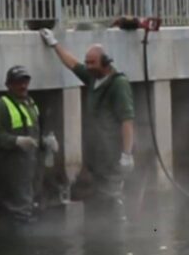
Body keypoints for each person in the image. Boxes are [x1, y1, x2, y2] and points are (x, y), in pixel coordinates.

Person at [39, 29, 135, 217]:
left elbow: (127, 120)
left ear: (106, 63)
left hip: (111, 153)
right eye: (87, 62)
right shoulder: (93, 78)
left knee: (109, 196)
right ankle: (97, 231)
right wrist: (54, 44)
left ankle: (114, 230)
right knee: (94, 196)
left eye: (92, 63)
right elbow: (73, 64)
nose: (88, 66)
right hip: (95, 153)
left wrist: (127, 154)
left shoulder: (118, 84)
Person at [0, 65, 59, 222]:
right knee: (19, 209)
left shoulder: (31, 103)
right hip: (13, 167)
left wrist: (46, 142)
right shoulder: (1, 104)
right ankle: (19, 239)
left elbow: (35, 134)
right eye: (18, 82)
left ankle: (29, 235)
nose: (23, 86)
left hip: (32, 165)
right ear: (9, 84)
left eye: (25, 81)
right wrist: (16, 141)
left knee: (33, 204)